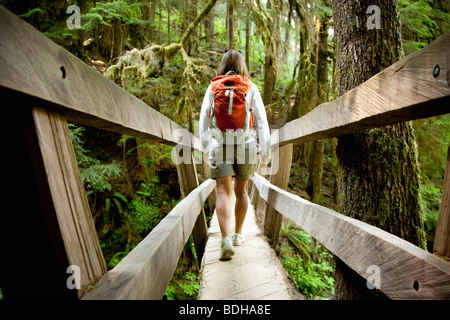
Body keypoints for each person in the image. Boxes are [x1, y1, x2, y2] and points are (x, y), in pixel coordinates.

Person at [199, 49, 271, 261]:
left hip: (220, 143)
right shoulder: (250, 87)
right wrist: (265, 151)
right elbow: (262, 120)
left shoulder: (213, 87)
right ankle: (239, 234)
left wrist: (205, 148)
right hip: (246, 144)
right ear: (242, 66)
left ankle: (225, 239)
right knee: (242, 191)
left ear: (222, 65)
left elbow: (204, 119)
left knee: (222, 191)